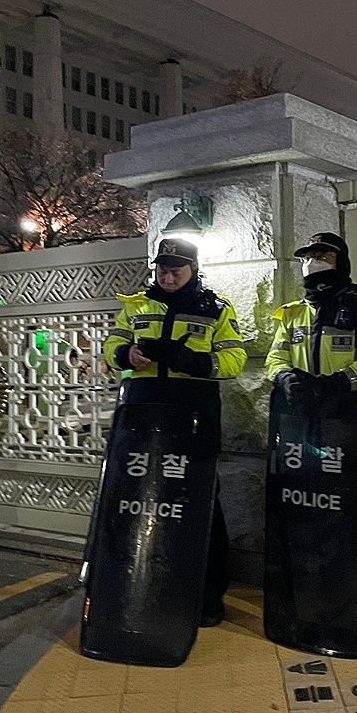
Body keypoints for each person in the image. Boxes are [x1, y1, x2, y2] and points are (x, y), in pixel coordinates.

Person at [265, 232, 357, 661]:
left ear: (339, 261)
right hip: (302, 433)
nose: (313, 263)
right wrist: (288, 379)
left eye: (322, 255)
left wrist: (335, 385)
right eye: (307, 257)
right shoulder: (291, 313)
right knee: (306, 517)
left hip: (350, 432)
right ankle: (306, 611)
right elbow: (274, 359)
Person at [102, 237, 247, 627]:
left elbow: (234, 359)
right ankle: (139, 586)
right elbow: (113, 345)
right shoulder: (137, 305)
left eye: (175, 270)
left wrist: (195, 361)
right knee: (138, 502)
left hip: (192, 420)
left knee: (199, 504)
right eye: (162, 269)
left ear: (193, 270)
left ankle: (207, 598)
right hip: (144, 418)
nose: (166, 277)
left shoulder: (216, 309)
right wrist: (126, 355)